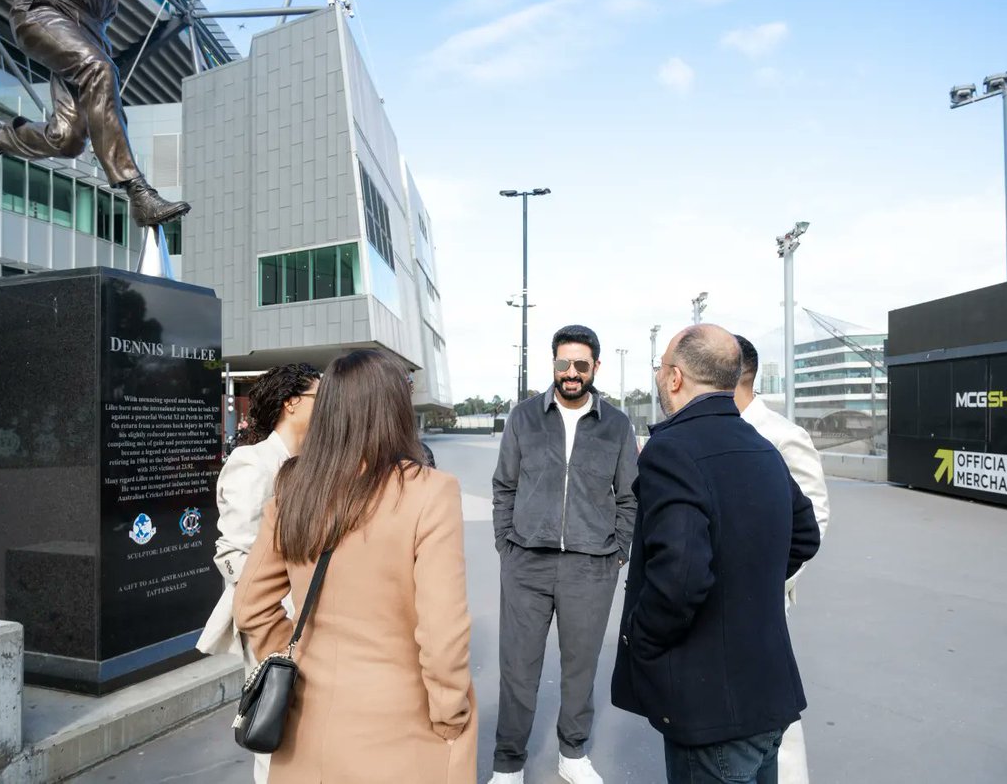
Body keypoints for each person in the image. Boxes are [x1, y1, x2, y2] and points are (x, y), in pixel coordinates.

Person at [234, 350, 476, 784]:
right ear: (394, 409)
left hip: (309, 721)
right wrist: (450, 712)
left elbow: (251, 604)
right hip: (401, 723)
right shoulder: (431, 493)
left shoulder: (296, 486)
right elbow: (442, 631)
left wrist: (299, 657)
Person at [611, 324, 820, 784]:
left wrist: (641, 640)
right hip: (769, 698)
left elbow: (680, 578)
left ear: (675, 377)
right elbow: (805, 536)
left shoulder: (671, 450)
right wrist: (742, 582)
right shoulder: (762, 445)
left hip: (711, 710)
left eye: (660, 368)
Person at [490, 324, 638, 784]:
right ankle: (508, 763)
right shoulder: (524, 417)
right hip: (526, 562)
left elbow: (630, 496)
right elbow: (504, 488)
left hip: (591, 565)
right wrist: (507, 546)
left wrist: (618, 552)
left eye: (580, 364)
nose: (570, 373)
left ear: (595, 366)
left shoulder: (616, 424)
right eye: (562, 364)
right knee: (517, 667)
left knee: (580, 666)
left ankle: (572, 754)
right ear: (553, 364)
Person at [0, 0, 188, 226]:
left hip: (90, 31)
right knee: (99, 69)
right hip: (46, 8)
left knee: (66, 139)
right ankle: (137, 191)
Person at [197, 363, 320, 783]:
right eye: (319, 398)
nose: (328, 406)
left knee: (307, 729)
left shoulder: (311, 463)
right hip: (274, 620)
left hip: (311, 618)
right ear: (292, 403)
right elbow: (233, 551)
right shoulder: (254, 462)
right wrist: (279, 612)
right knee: (273, 721)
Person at [732, 336, 830, 784]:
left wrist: (773, 578)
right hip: (714, 599)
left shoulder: (784, 435)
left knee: (774, 713)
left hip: (765, 600)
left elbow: (815, 518)